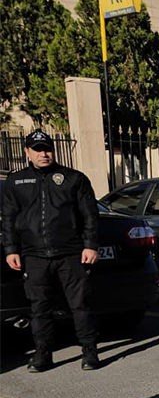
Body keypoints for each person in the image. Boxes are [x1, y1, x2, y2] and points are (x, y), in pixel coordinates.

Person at [1, 130, 101, 372]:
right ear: (27, 152)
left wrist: (90, 245)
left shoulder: (73, 178)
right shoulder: (16, 181)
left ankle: (89, 353)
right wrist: (11, 249)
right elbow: (9, 217)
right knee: (39, 308)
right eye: (37, 149)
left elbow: (89, 215)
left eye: (47, 148)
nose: (43, 153)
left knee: (80, 305)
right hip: (34, 255)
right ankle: (42, 355)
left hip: (70, 253)